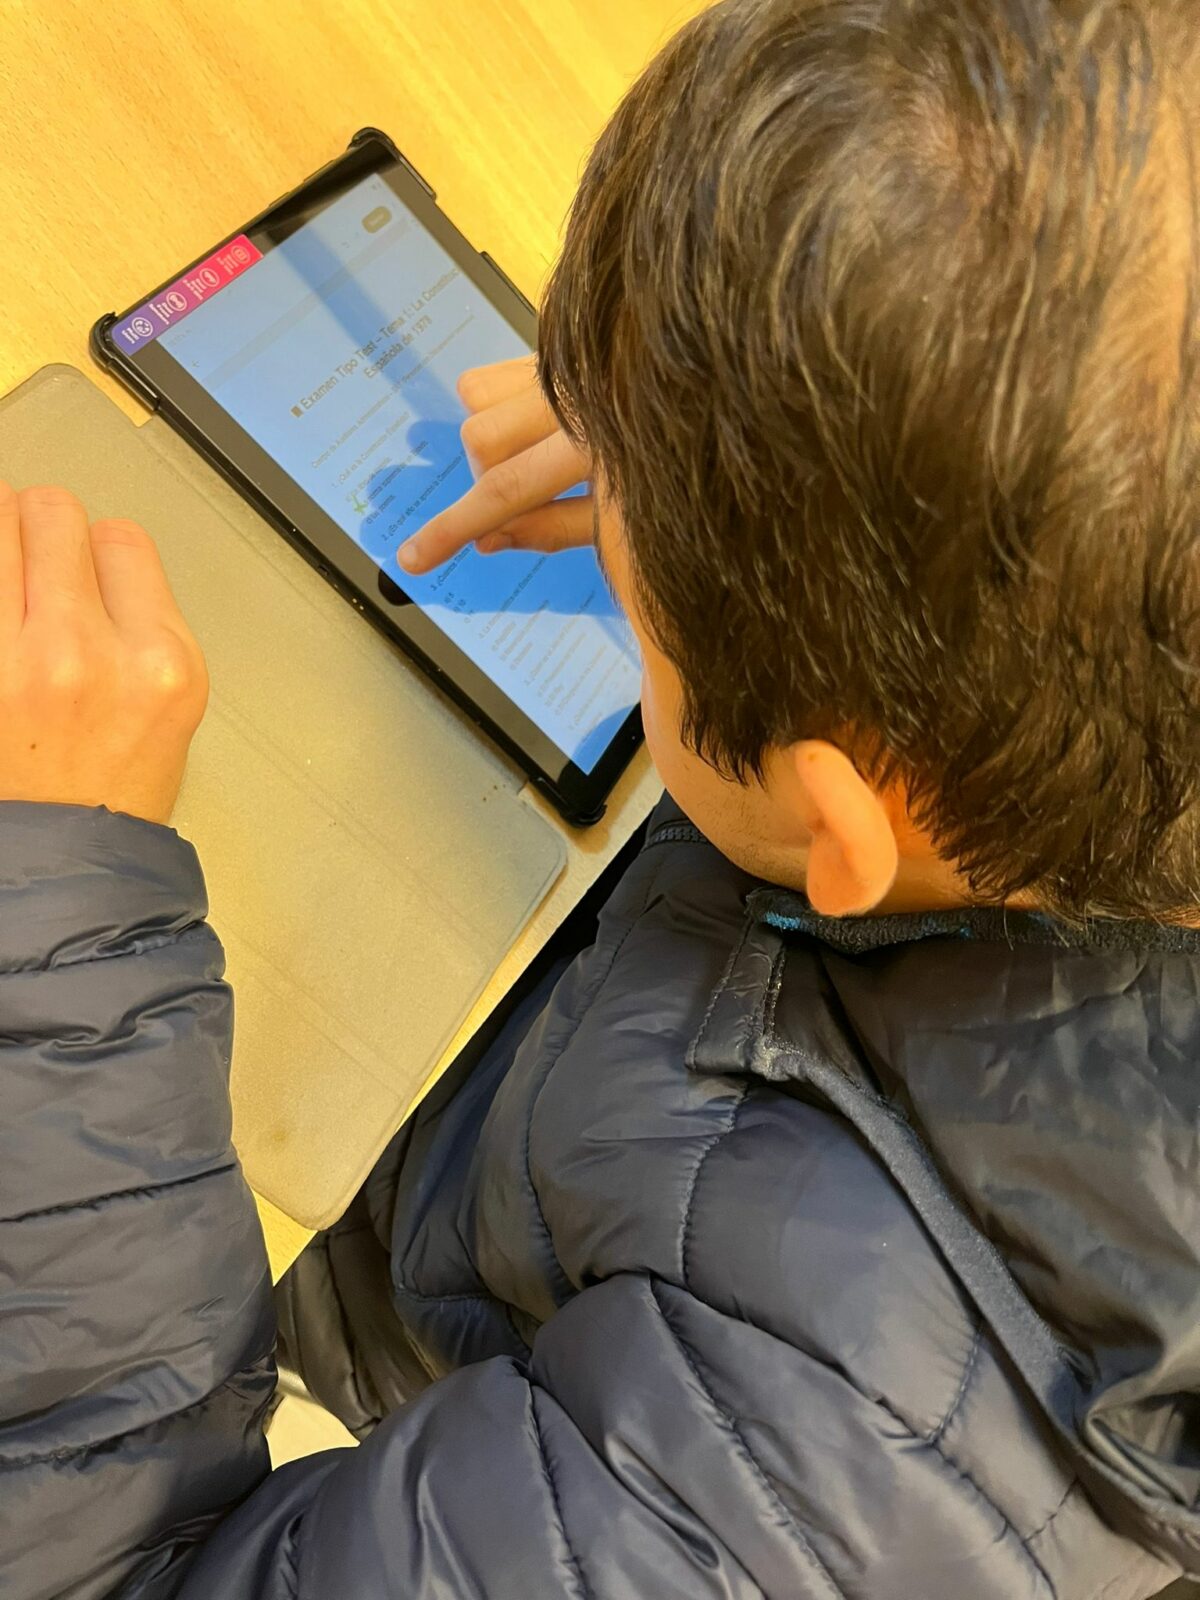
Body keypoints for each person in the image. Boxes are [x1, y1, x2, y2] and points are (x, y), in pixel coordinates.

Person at [5, 0, 1200, 1594]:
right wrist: (707, 445)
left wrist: (61, 912)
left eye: (643, 614)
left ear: (841, 825)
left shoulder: (809, 1495)